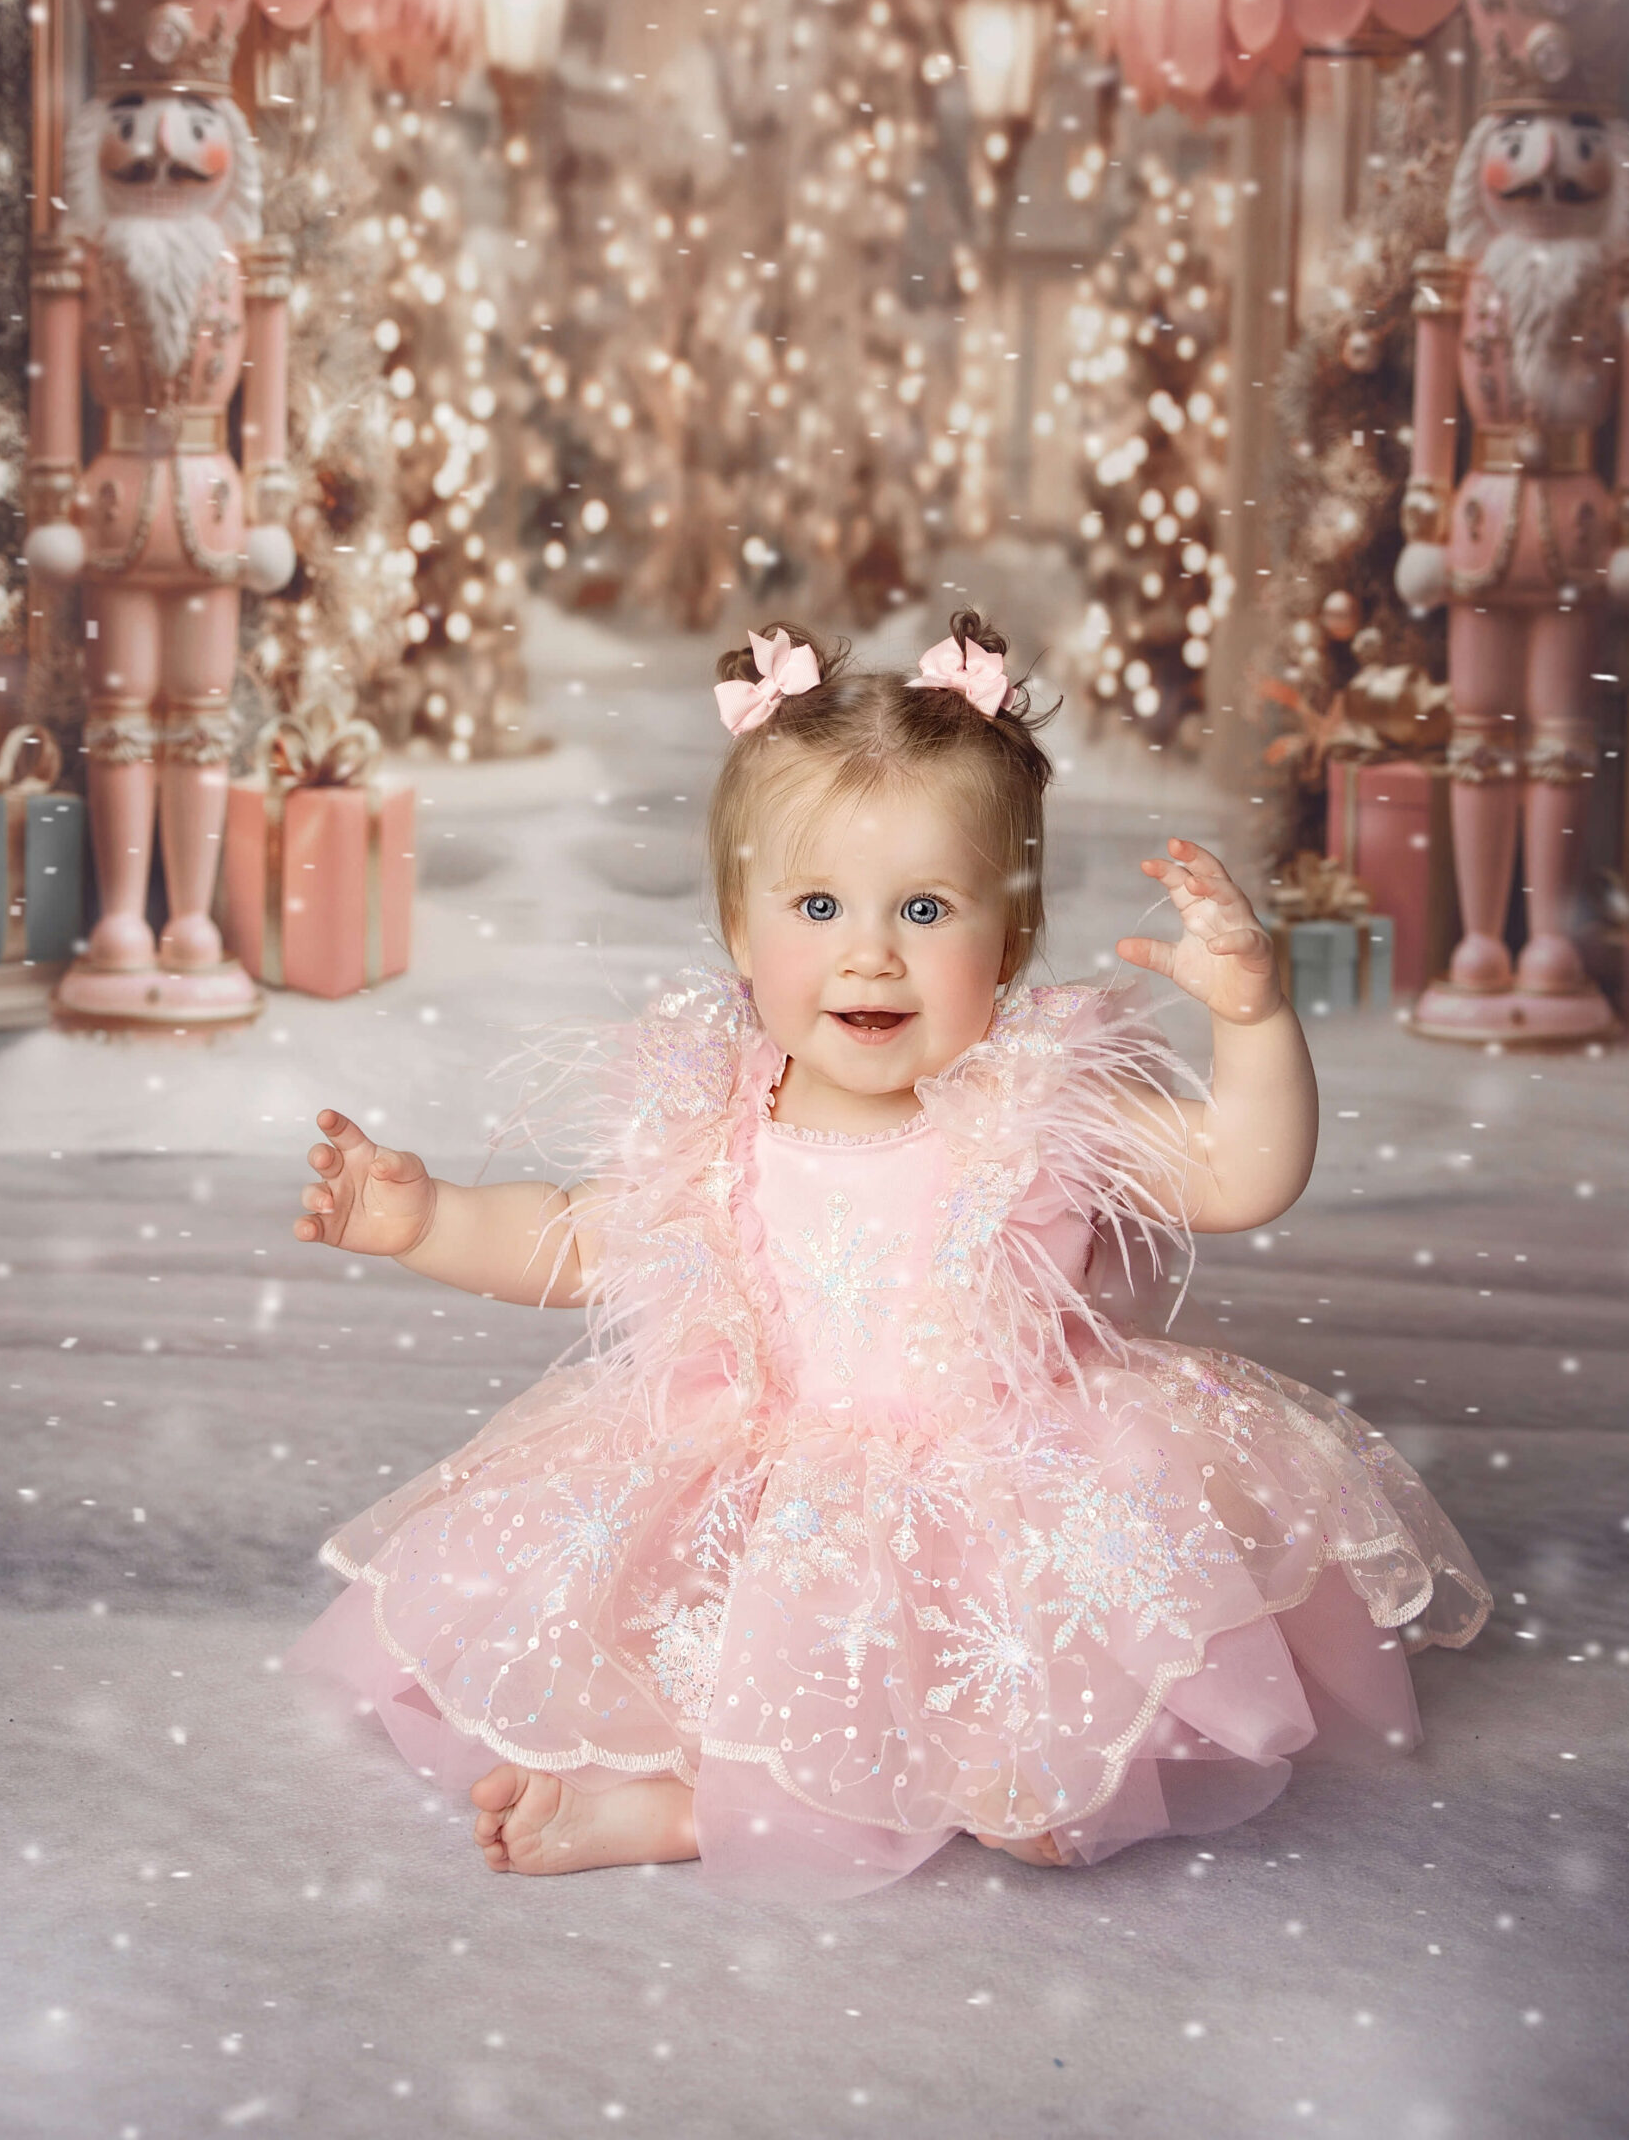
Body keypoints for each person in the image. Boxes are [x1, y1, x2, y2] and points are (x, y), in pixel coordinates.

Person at [285, 614, 1490, 1901]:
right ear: (743, 938)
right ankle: (692, 1799)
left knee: (1045, 1754)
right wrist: (427, 1221)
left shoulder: (1034, 1109)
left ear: (1009, 946)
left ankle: (880, 1780)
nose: (872, 950)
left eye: (926, 908)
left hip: (1000, 1491)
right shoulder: (715, 1130)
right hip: (768, 1485)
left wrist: (1251, 1016)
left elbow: (1246, 1173)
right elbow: (579, 1240)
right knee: (726, 1647)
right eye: (818, 905)